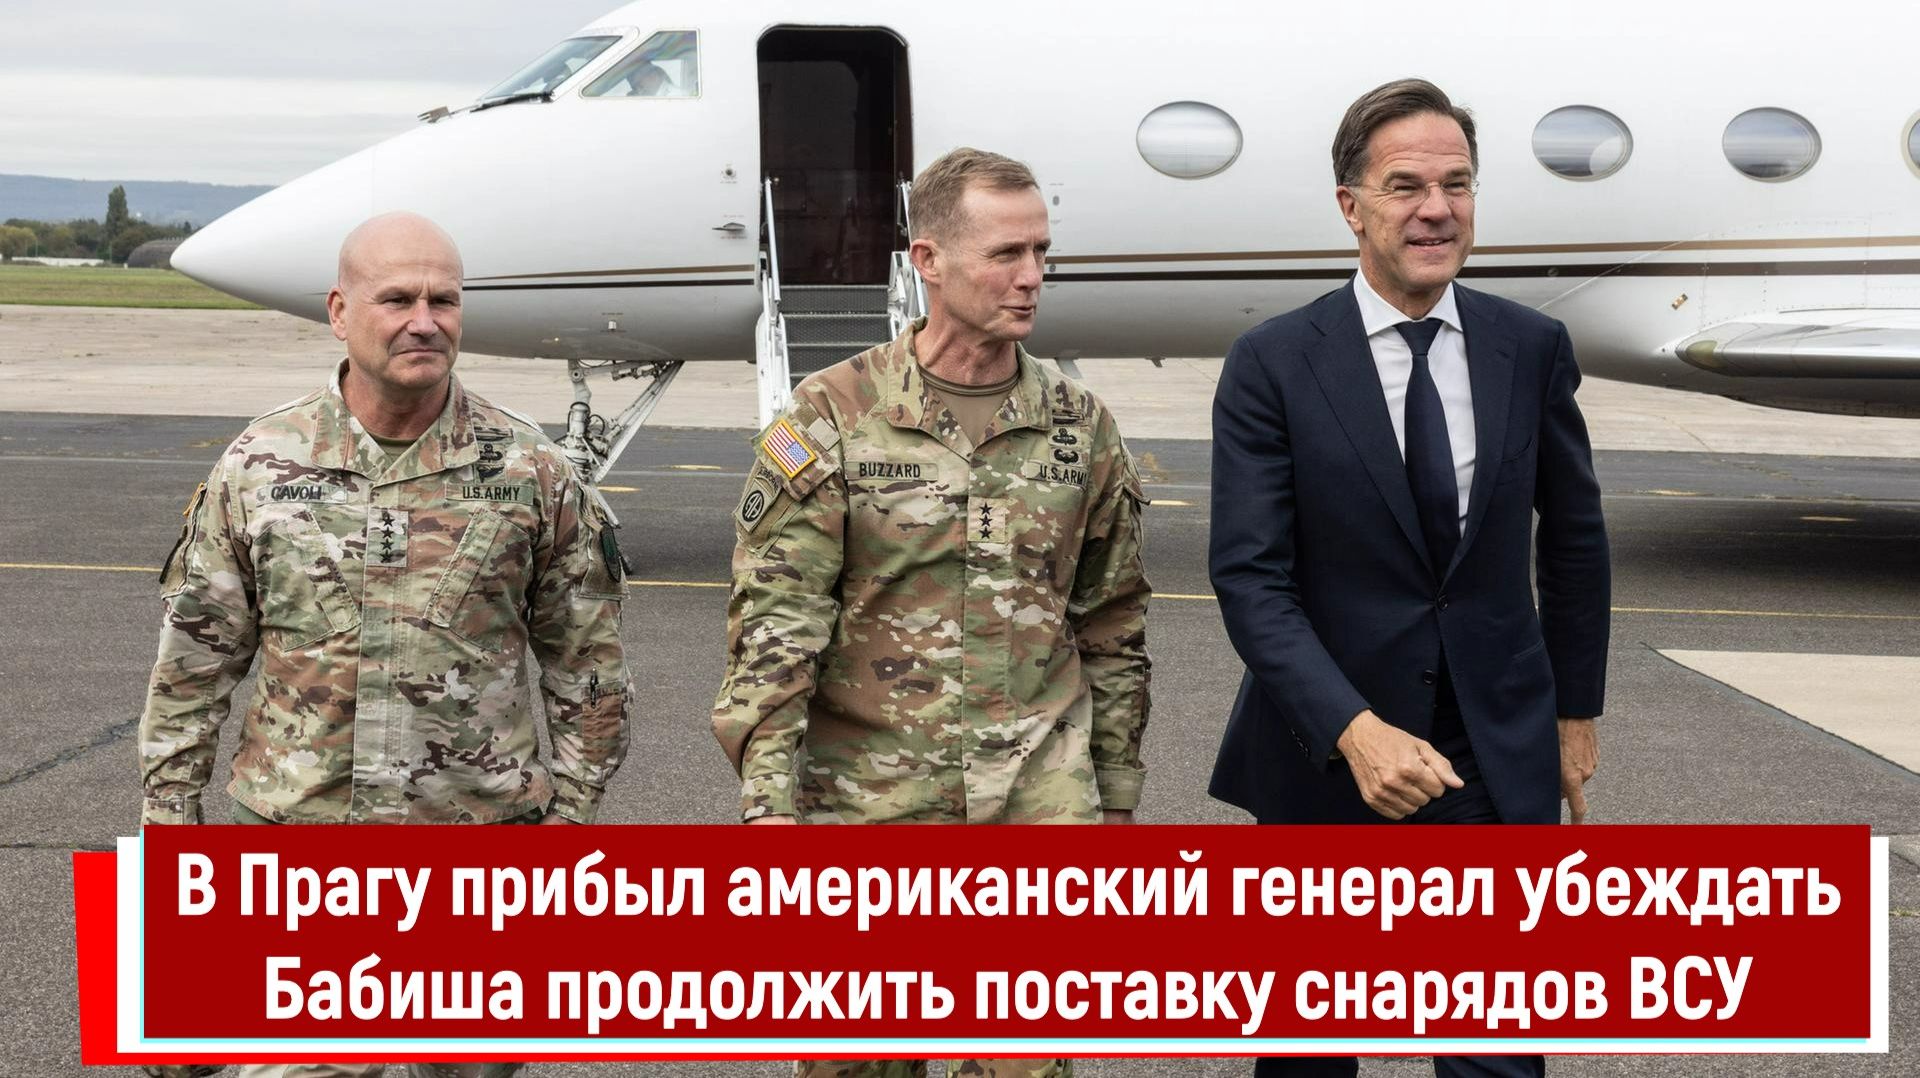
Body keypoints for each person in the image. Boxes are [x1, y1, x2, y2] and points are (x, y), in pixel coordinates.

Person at [138, 211, 632, 1078]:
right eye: (398, 299)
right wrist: (172, 836)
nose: (425, 321)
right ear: (339, 311)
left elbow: (587, 670)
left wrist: (570, 825)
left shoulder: (531, 470)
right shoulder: (260, 465)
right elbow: (192, 672)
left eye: (445, 300)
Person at [712, 147, 1152, 1078]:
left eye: (1041, 252)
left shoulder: (1080, 426)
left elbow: (1112, 625)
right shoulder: (832, 415)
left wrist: (1113, 801)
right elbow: (777, 628)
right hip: (866, 805)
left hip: (1038, 805)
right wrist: (768, 814)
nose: (1031, 277)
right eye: (1005, 254)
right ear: (929, 261)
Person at [1207, 80, 1611, 1078]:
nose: (1437, 209)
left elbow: (1573, 540)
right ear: (1352, 206)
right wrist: (1355, 730)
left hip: (1489, 746)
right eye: (1406, 186)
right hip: (1325, 749)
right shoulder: (1274, 362)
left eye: (1456, 184)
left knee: (1495, 1054)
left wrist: (1573, 715)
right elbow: (1251, 578)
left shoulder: (1530, 347)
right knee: (1310, 1055)